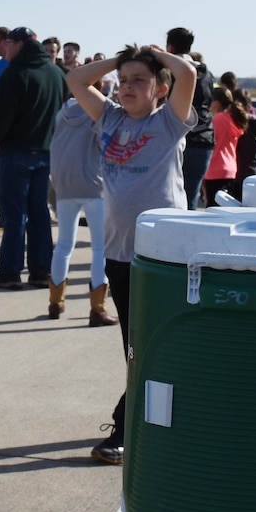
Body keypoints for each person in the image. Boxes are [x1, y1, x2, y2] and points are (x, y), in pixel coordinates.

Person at [68, 45, 197, 462]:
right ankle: (145, 419)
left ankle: (126, 427)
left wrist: (157, 54)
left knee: (149, 344)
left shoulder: (167, 123)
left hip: (164, 253)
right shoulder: (108, 117)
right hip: (122, 253)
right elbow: (74, 80)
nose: (127, 87)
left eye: (139, 81)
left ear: (160, 88)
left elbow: (188, 75)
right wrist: (122, 60)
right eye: (123, 82)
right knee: (135, 344)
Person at [0, 25, 67, 289]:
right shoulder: (56, 74)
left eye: (7, 44)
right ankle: (42, 270)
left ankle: (10, 271)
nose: (3, 49)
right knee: (40, 212)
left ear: (18, 45)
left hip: (14, 152)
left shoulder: (15, 74)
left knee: (14, 215)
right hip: (45, 152)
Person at [47, 95, 110, 324]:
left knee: (64, 244)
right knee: (100, 248)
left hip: (64, 185)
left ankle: (56, 301)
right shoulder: (98, 113)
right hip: (95, 185)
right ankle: (98, 307)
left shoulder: (62, 113)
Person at [168, 28, 216, 201]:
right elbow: (210, 102)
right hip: (204, 138)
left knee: (169, 193)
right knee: (191, 194)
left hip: (176, 136)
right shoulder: (207, 74)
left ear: (170, 47)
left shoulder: (169, 71)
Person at [200, 85, 244, 204]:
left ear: (217, 103)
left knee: (212, 208)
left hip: (215, 169)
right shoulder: (233, 119)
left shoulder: (215, 121)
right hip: (230, 169)